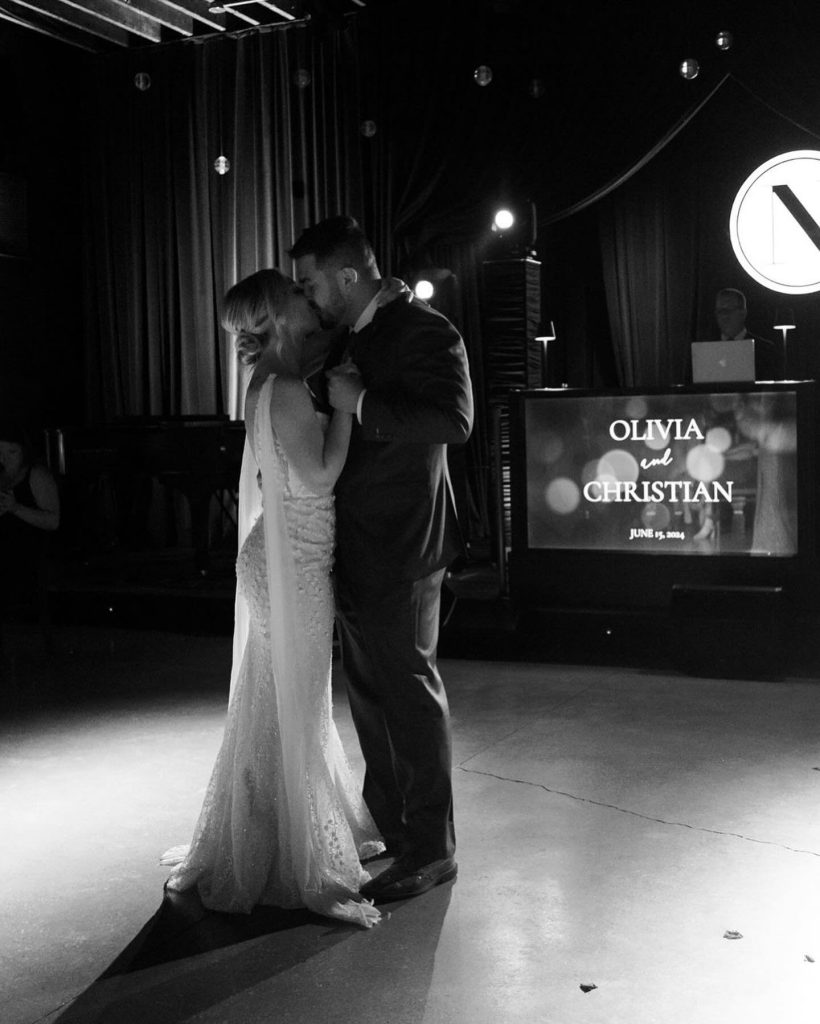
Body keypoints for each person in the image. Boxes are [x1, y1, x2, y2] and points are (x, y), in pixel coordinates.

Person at [162, 269, 385, 928]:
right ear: (279, 315)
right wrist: (347, 410)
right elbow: (318, 476)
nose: (305, 299)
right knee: (296, 700)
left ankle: (259, 836)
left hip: (279, 558)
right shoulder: (285, 388)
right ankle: (289, 852)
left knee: (274, 702)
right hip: (293, 566)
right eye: (295, 294)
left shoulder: (267, 384)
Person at [290, 216, 474, 902]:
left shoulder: (430, 330)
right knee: (371, 698)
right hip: (356, 545)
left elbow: (454, 423)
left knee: (409, 695)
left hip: (404, 544)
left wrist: (360, 401)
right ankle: (396, 830)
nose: (309, 297)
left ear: (345, 276)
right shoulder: (347, 333)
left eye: (312, 283)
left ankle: (433, 850)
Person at [0, 421, 60, 623]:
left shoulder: (37, 474)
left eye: (11, 452)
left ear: (23, 451)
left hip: (26, 553)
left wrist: (15, 508)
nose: (4, 459)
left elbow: (53, 521)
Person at [714, 287, 784, 381]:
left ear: (743, 312)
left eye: (728, 311)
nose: (724, 316)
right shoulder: (704, 352)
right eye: (720, 311)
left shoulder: (766, 350)